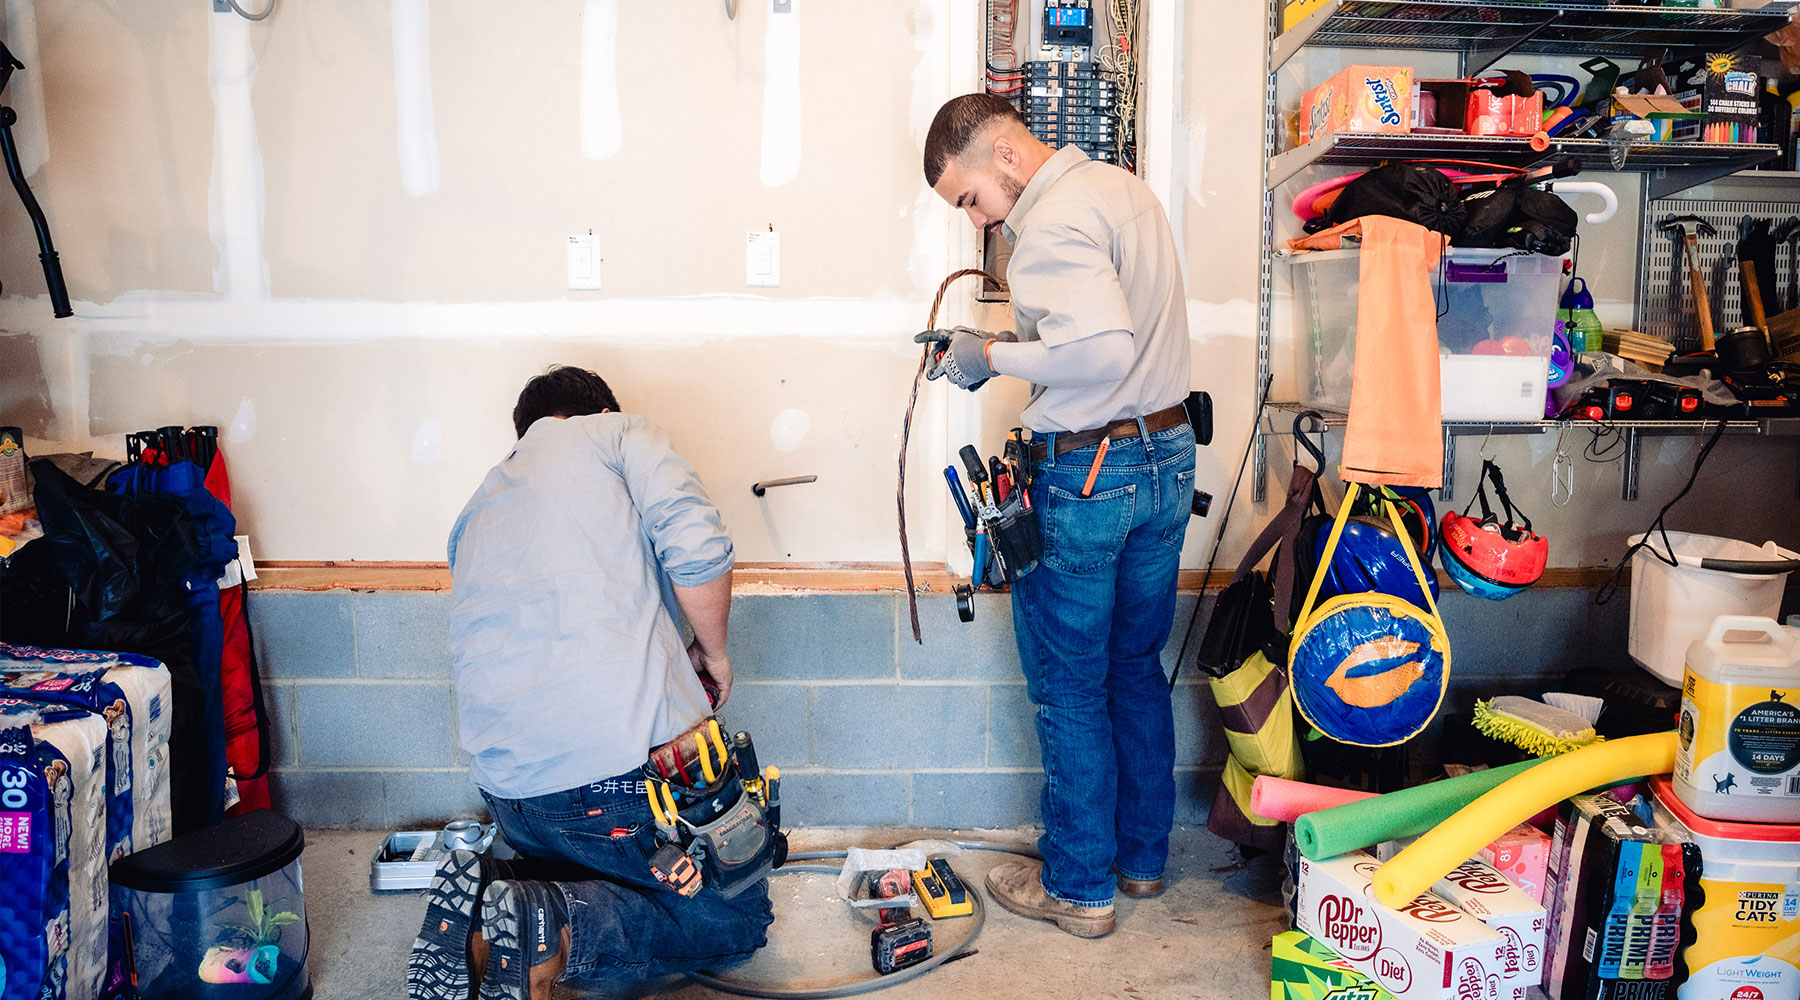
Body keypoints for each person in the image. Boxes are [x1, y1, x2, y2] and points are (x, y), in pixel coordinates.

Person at [919, 94, 1196, 939]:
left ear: (1004, 156)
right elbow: (1119, 340)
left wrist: (986, 356)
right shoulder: (1124, 192)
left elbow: (1101, 350)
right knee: (1135, 665)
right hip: (1167, 457)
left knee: (1071, 687)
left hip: (1091, 474)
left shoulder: (1047, 222)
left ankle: (1079, 888)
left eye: (969, 198)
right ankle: (1140, 863)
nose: (978, 222)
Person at [407, 366, 772, 1000]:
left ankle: (500, 902)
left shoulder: (476, 506)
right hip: (620, 790)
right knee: (734, 921)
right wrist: (712, 653)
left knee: (589, 862)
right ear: (597, 413)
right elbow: (698, 544)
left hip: (512, 802)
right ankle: (556, 927)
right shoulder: (619, 436)